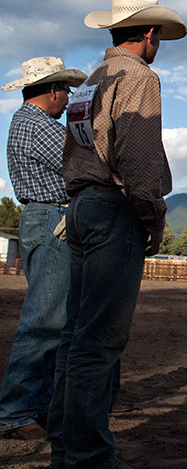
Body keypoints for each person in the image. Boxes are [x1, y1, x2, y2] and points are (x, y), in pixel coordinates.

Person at [46, 0, 186, 469]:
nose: (158, 43)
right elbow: (139, 156)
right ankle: (88, 456)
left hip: (82, 203)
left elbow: (78, 148)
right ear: (148, 34)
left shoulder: (92, 80)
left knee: (74, 334)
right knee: (99, 340)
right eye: (158, 36)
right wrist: (153, 215)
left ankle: (66, 447)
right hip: (114, 205)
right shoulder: (139, 78)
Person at [0, 58, 86, 441]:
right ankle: (15, 411)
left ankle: (34, 406)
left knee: (50, 316)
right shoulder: (41, 126)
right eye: (65, 91)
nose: (67, 98)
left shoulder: (23, 122)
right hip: (53, 221)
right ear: (52, 90)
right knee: (46, 320)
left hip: (40, 219)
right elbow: (83, 162)